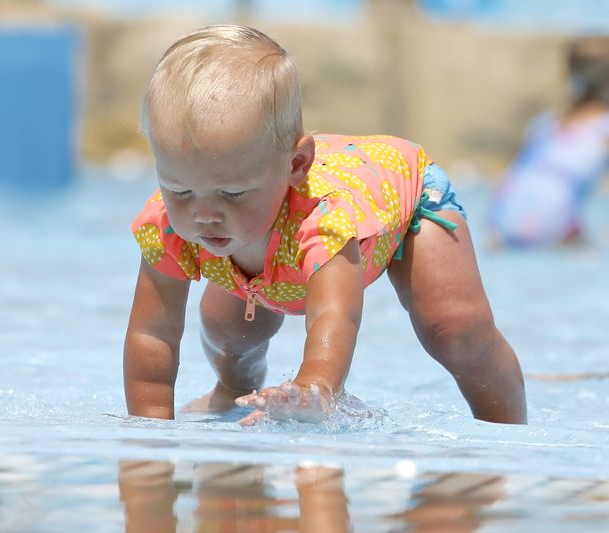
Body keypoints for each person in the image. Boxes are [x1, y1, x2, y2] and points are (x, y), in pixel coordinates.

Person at [123, 24, 527, 426]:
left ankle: (507, 431)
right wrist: (149, 437)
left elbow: (334, 316)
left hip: (407, 198)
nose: (204, 214)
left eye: (231, 194)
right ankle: (231, 392)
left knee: (455, 329)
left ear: (296, 166)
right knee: (227, 328)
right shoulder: (171, 223)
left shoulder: (321, 218)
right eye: (178, 189)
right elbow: (151, 335)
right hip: (271, 233)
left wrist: (312, 389)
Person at [488, 37, 609, 248]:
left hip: (500, 229)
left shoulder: (544, 124)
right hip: (552, 233)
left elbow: (507, 183)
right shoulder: (603, 129)